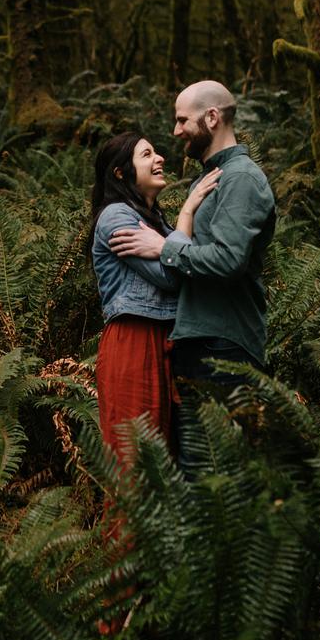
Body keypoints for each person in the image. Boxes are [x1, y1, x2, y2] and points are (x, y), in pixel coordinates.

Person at [109, 80, 276, 471]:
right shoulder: (215, 177)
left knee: (214, 474)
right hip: (203, 343)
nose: (176, 131)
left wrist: (162, 248)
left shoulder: (241, 180)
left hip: (223, 345)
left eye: (183, 120)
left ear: (212, 117)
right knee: (200, 471)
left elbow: (227, 260)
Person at [89, 132, 219, 468]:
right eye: (146, 155)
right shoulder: (115, 216)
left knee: (168, 460)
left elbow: (183, 267)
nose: (159, 158)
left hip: (169, 340)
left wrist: (169, 243)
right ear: (120, 172)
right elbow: (171, 275)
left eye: (156, 152)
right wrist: (188, 211)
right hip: (133, 341)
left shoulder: (156, 222)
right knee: (136, 459)